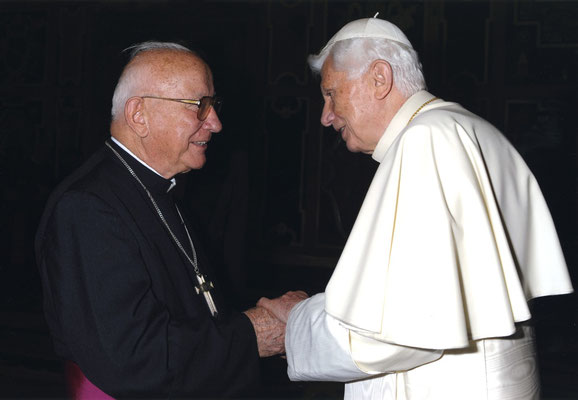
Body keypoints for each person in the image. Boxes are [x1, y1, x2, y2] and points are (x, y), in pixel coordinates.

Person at [258, 17, 574, 399]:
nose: (325, 116)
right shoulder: (467, 127)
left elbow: (399, 332)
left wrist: (297, 321)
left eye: (331, 94)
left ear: (379, 78)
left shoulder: (425, 140)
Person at [35, 41, 288, 398]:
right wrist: (252, 334)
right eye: (199, 106)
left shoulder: (161, 191)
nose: (215, 123)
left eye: (213, 106)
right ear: (139, 115)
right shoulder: (86, 208)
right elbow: (133, 359)